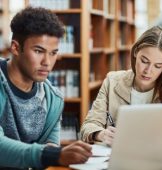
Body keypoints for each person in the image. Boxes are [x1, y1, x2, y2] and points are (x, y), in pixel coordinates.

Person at [0, 7, 92, 169]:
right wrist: (52, 155)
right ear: (15, 48)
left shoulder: (53, 98)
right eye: (38, 51)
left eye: (53, 53)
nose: (47, 62)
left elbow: (49, 148)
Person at [80, 26, 162, 146]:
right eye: (144, 61)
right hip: (118, 157)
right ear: (136, 52)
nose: (148, 71)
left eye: (157, 66)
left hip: (158, 156)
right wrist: (100, 134)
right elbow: (88, 126)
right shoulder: (112, 81)